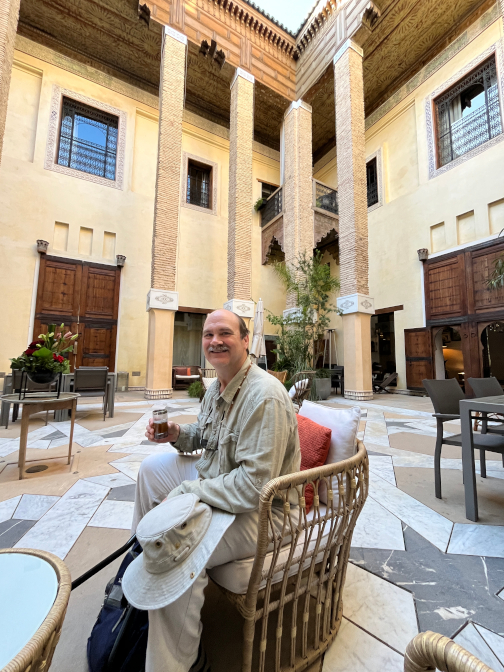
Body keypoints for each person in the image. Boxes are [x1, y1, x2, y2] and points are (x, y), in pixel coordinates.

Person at [131, 308, 300, 672]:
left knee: (176, 551)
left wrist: (187, 493)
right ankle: (142, 554)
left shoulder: (264, 396)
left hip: (266, 514)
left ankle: (178, 663)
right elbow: (207, 439)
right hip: (222, 483)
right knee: (150, 470)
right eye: (208, 334)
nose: (214, 341)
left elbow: (255, 487)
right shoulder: (217, 387)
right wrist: (178, 434)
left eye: (224, 333)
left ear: (244, 341)